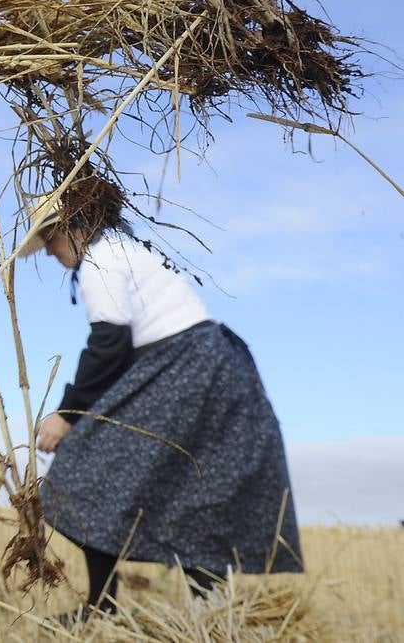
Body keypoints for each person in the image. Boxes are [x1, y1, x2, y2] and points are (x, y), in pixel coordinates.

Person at [20, 179, 303, 619]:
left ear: (73, 226)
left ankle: (104, 608)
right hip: (206, 366)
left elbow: (109, 346)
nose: (51, 253)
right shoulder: (120, 250)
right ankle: (208, 617)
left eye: (50, 239)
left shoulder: (102, 261)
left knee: (84, 469)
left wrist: (68, 415)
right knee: (190, 489)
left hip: (188, 367)